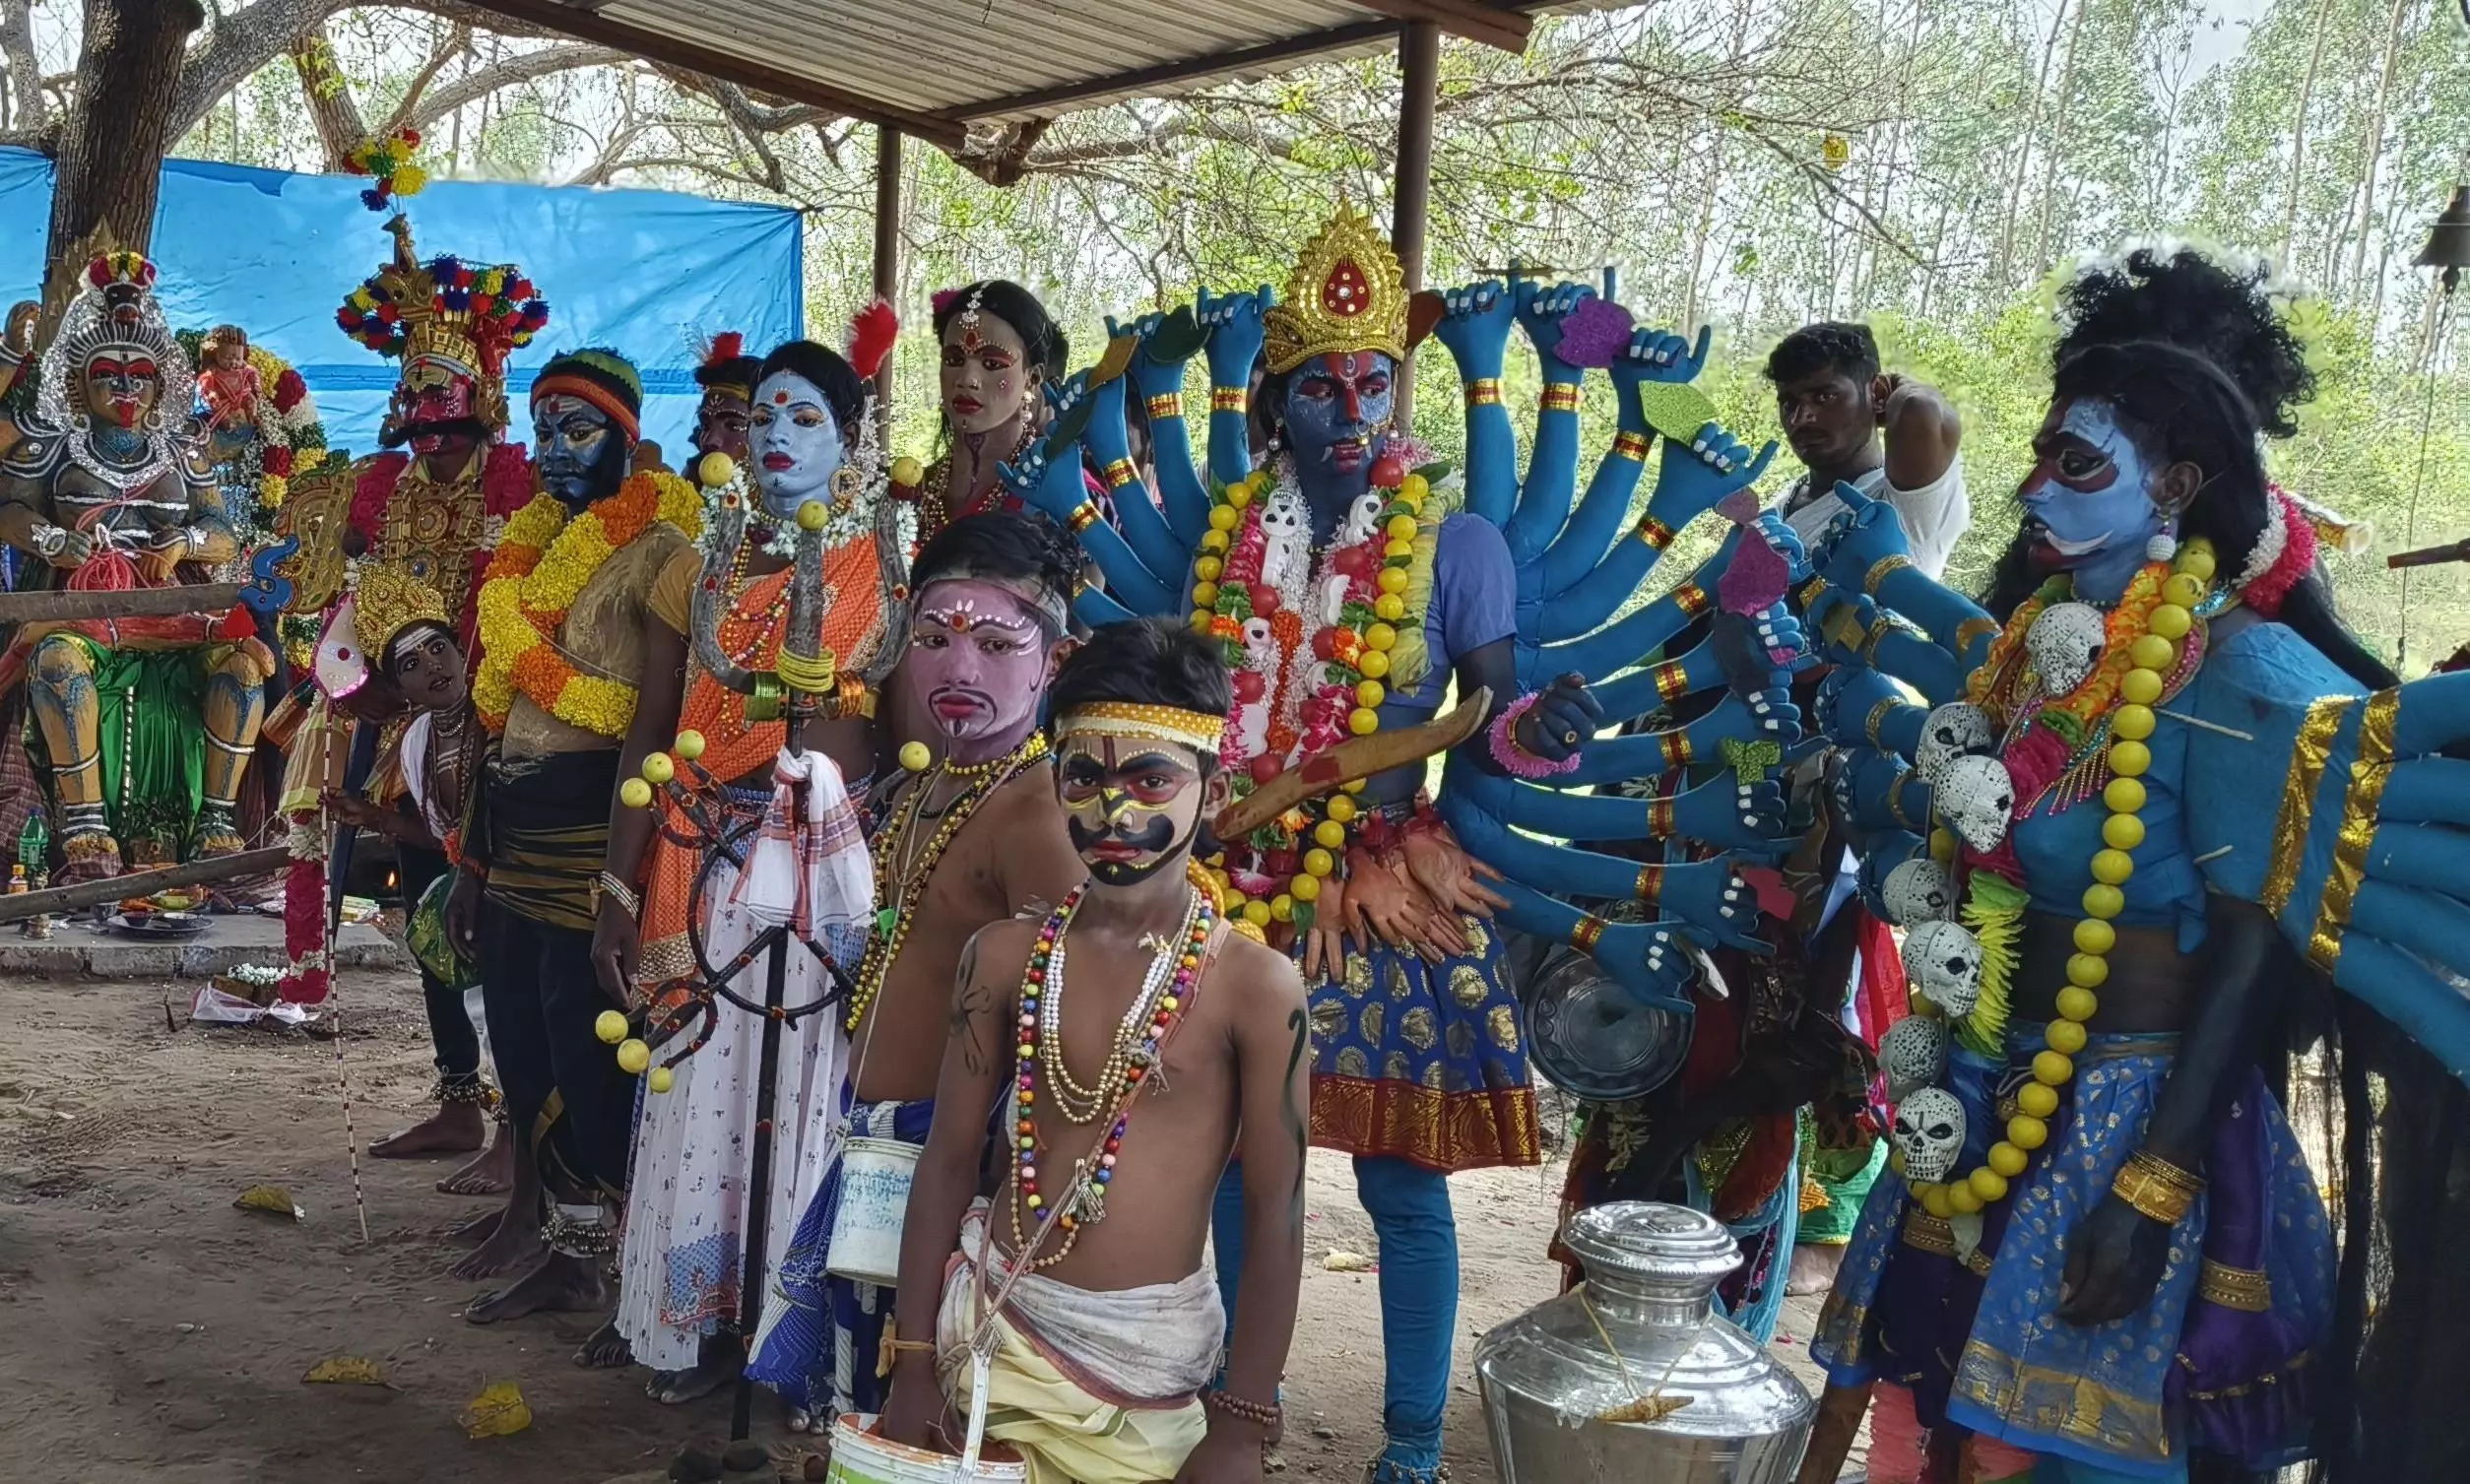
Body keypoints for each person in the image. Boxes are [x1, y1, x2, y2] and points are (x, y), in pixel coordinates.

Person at [1028, 210, 1792, 1483]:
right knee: (1223, 1161)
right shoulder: (1224, 535)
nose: (1349, 406)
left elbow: (1494, 730)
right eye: (1320, 384)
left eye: (1373, 380)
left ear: (1400, 389)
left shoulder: (1457, 541)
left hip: (1388, 889)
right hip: (1234, 888)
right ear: (1277, 398)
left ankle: (1415, 1443)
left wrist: (1545, 726)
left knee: (1399, 1184)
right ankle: (1231, 1402)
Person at [1790, 336, 2470, 1482]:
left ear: (2176, 486)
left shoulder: (2242, 678)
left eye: (2077, 462)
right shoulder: (2033, 652)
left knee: (2039, 1448)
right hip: (1983, 1082)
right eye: (2039, 455)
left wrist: (2151, 1190)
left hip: (2130, 1111)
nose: (2032, 487)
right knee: (1907, 1404)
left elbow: (2252, 957)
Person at [878, 615, 1309, 1484]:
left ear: (1213, 792)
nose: (1112, 810)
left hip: (1142, 1374)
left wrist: (1242, 1423)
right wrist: (915, 1357)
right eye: (1083, 776)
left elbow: (1278, 1213)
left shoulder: (1254, 988)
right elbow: (950, 1158)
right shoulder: (1002, 957)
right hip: (992, 1338)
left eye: (1150, 777)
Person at [600, 323, 897, 1388]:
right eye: (762, 414)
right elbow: (652, 727)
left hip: (825, 876)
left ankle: (795, 1344)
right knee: (698, 1091)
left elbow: (901, 733)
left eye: (804, 416)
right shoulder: (699, 565)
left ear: (851, 440)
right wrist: (616, 888)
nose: (775, 433)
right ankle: (702, 1325)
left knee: (809, 1100)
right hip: (698, 859)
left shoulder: (885, 565)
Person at [747, 506, 1088, 1429]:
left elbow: (1068, 1024)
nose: (959, 667)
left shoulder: (1035, 811)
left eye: (994, 640)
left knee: (931, 1402)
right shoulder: (928, 782)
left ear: (1053, 660)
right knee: (866, 1405)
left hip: (959, 1164)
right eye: (933, 638)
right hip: (881, 1144)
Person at [444, 348, 703, 1318]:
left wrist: (621, 885)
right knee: (515, 1026)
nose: (552, 448)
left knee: (584, 1042)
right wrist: (471, 859)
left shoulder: (667, 550)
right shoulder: (533, 541)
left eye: (577, 427)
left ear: (629, 437)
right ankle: (552, 1232)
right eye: (542, 426)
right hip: (513, 823)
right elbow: (499, 702)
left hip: (593, 828)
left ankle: (602, 1252)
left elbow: (651, 718)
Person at [286, 208, 545, 1155]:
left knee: (494, 908)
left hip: (497, 722)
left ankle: (522, 1118)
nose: (434, 441)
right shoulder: (378, 486)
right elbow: (344, 605)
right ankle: (457, 1095)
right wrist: (368, 695)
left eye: (451, 423)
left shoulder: (516, 483)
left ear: (482, 410)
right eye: (420, 422)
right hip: (396, 716)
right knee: (422, 903)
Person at [0, 253, 275, 879]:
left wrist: (183, 545)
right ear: (79, 383)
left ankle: (216, 823)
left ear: (160, 385)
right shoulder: (53, 443)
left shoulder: (182, 450)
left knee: (243, 664)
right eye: (108, 377)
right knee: (56, 662)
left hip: (170, 601)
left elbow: (222, 534)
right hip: (83, 597)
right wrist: (49, 539)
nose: (126, 391)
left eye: (140, 378)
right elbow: (9, 509)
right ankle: (87, 827)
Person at [314, 563, 506, 1194]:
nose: (432, 667)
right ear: (401, 690)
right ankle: (464, 1113)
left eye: (438, 649)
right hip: (468, 887)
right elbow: (446, 836)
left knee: (512, 1016)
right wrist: (370, 815)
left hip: (520, 888)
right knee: (454, 980)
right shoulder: (421, 739)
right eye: (411, 665)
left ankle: (514, 1143)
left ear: (462, 649)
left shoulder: (503, 716)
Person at [1767, 321, 1967, 581]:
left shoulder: (1904, 503)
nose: (1801, 418)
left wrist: (1890, 389)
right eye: (1789, 403)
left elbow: (1920, 407)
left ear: (1879, 394)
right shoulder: (1783, 502)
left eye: (1824, 397)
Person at [904, 281, 1071, 545]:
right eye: (954, 361)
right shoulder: (908, 493)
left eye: (992, 363)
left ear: (1033, 378)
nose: (968, 379)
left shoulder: (1059, 500)